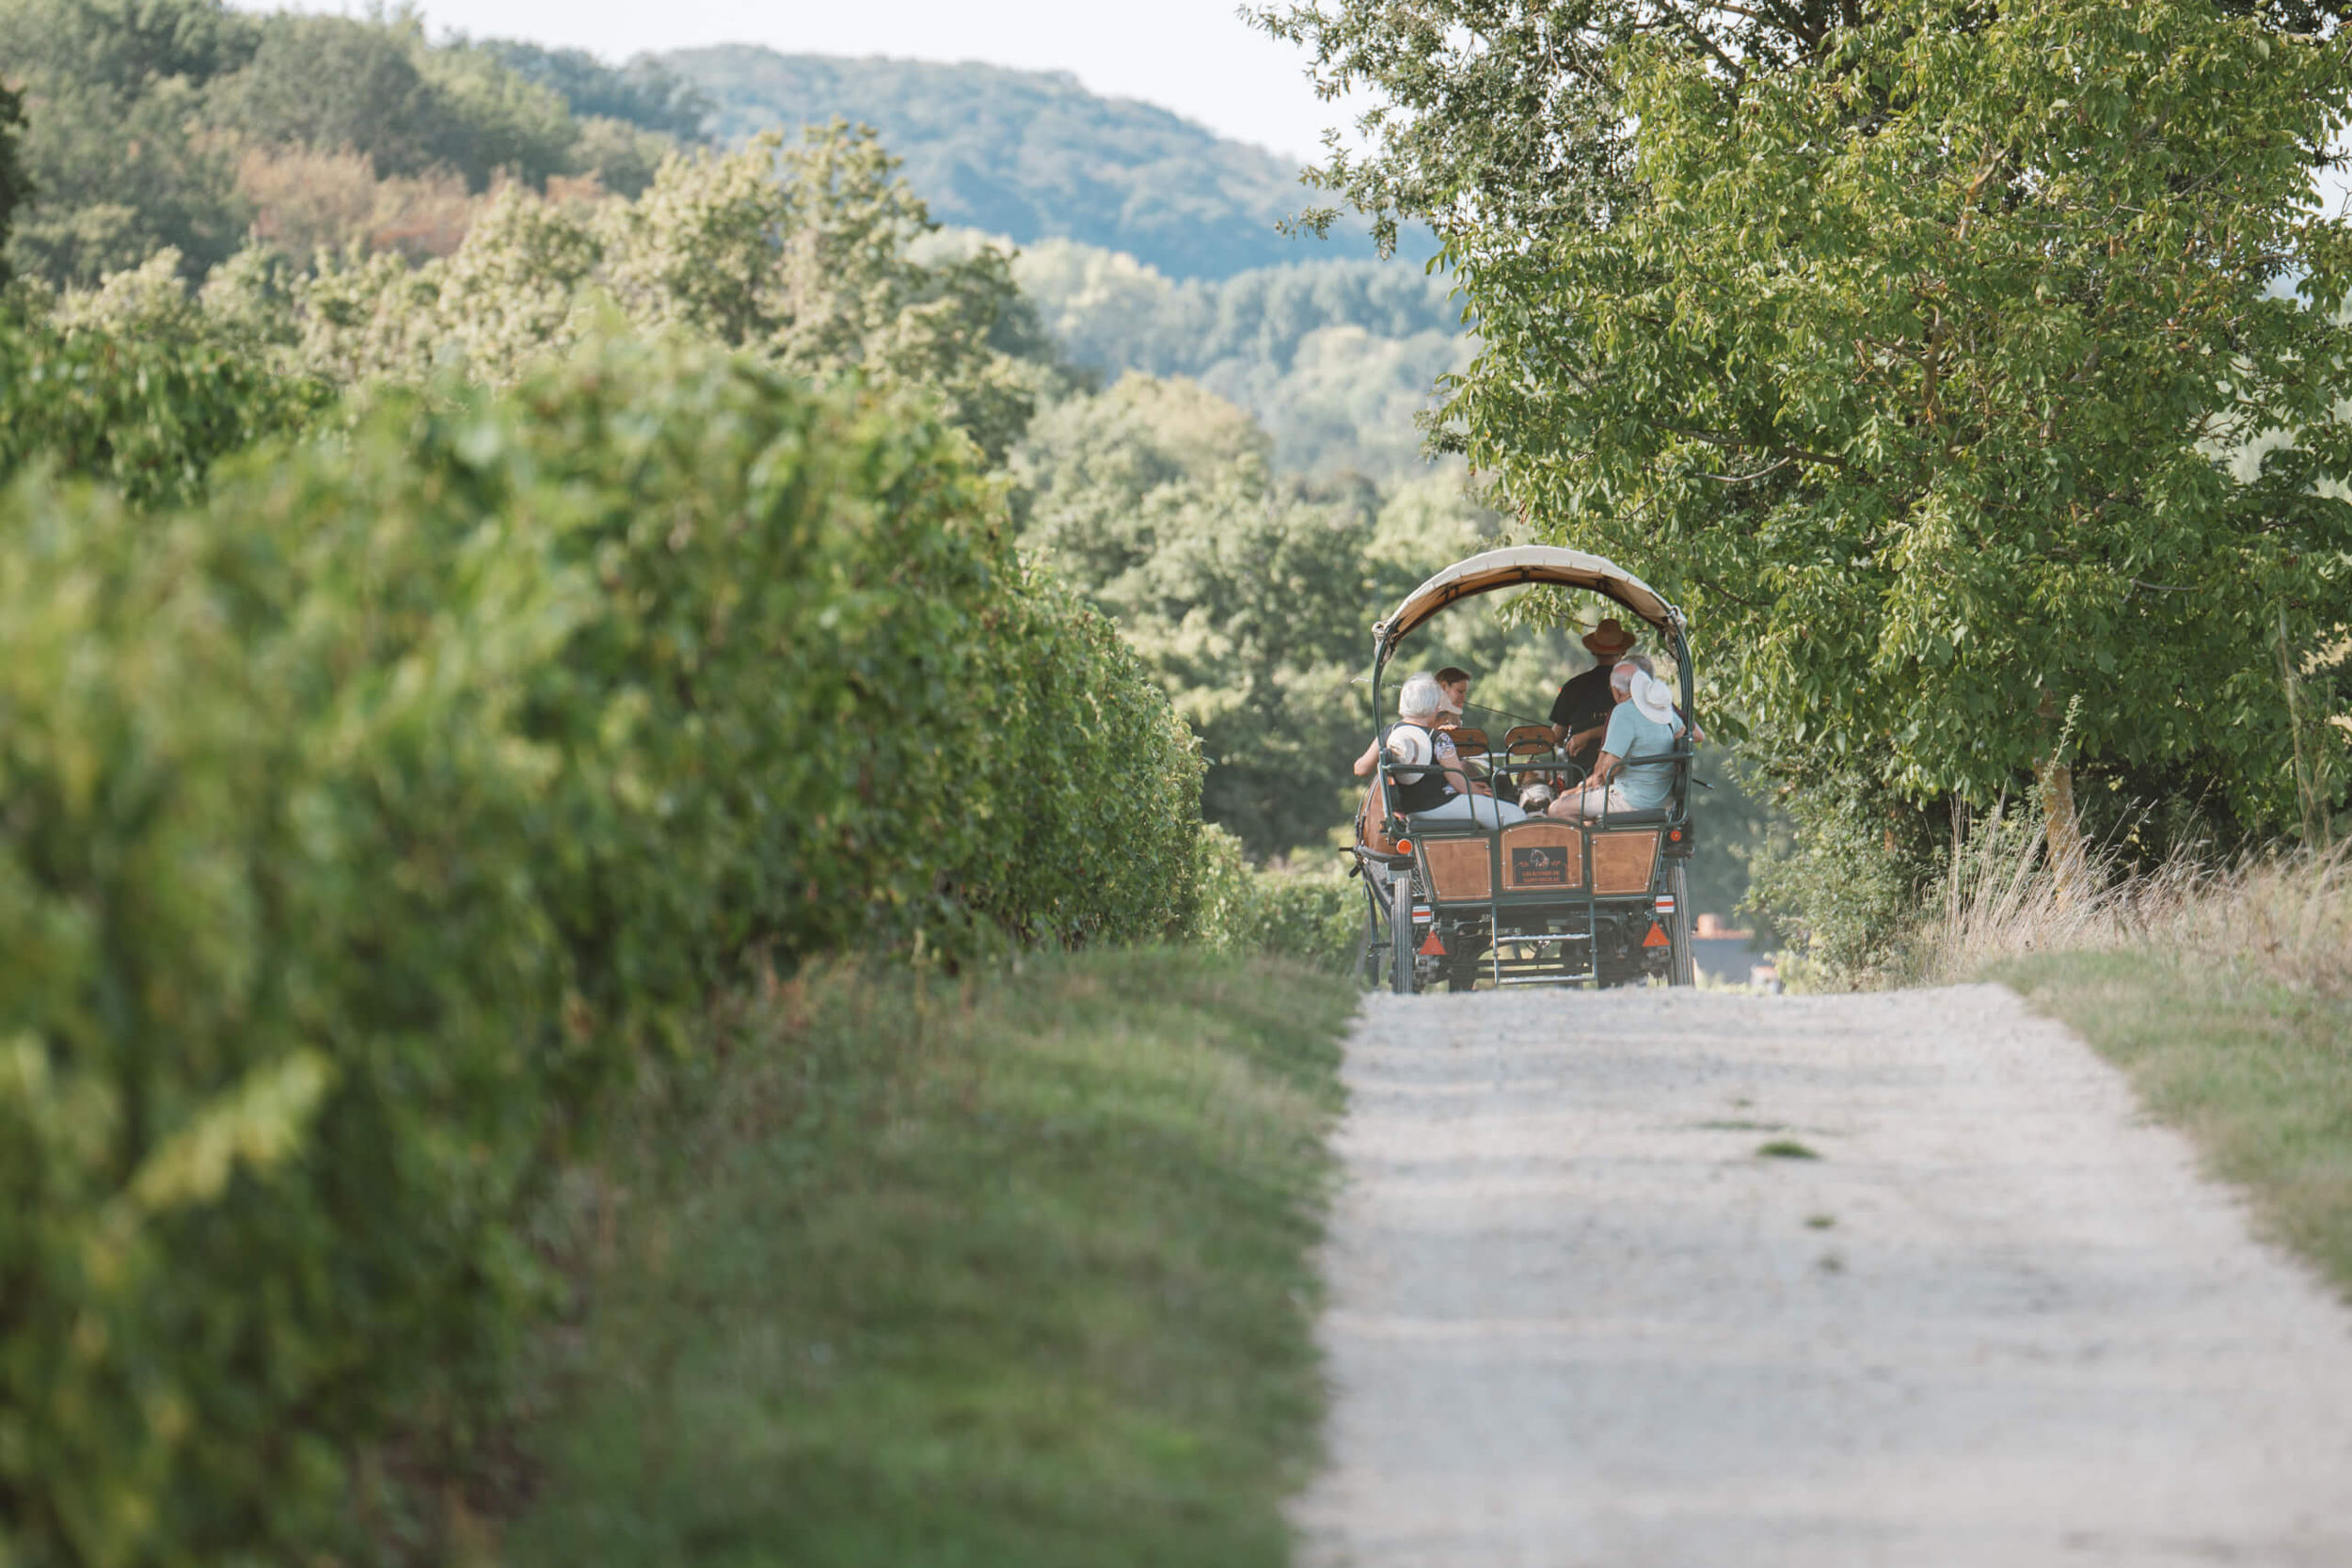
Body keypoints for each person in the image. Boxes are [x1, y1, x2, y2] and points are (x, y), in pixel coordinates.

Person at [1354, 672, 1526, 827]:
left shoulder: (1387, 733)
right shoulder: (1439, 739)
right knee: (1516, 816)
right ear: (1434, 705)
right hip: (1441, 805)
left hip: (1411, 810)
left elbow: (1360, 769)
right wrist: (1479, 790)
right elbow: (1459, 783)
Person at [1549, 661, 1687, 820]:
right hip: (1664, 800)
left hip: (1631, 800)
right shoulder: (1662, 708)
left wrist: (1584, 786)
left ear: (1615, 691)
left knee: (1557, 809)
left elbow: (1609, 771)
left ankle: (1594, 844)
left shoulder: (1623, 712)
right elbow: (1682, 732)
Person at [1549, 618, 1640, 768]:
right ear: (1623, 651)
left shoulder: (1573, 687)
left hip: (1581, 775)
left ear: (1593, 651)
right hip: (1629, 771)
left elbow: (1557, 736)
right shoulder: (1637, 686)